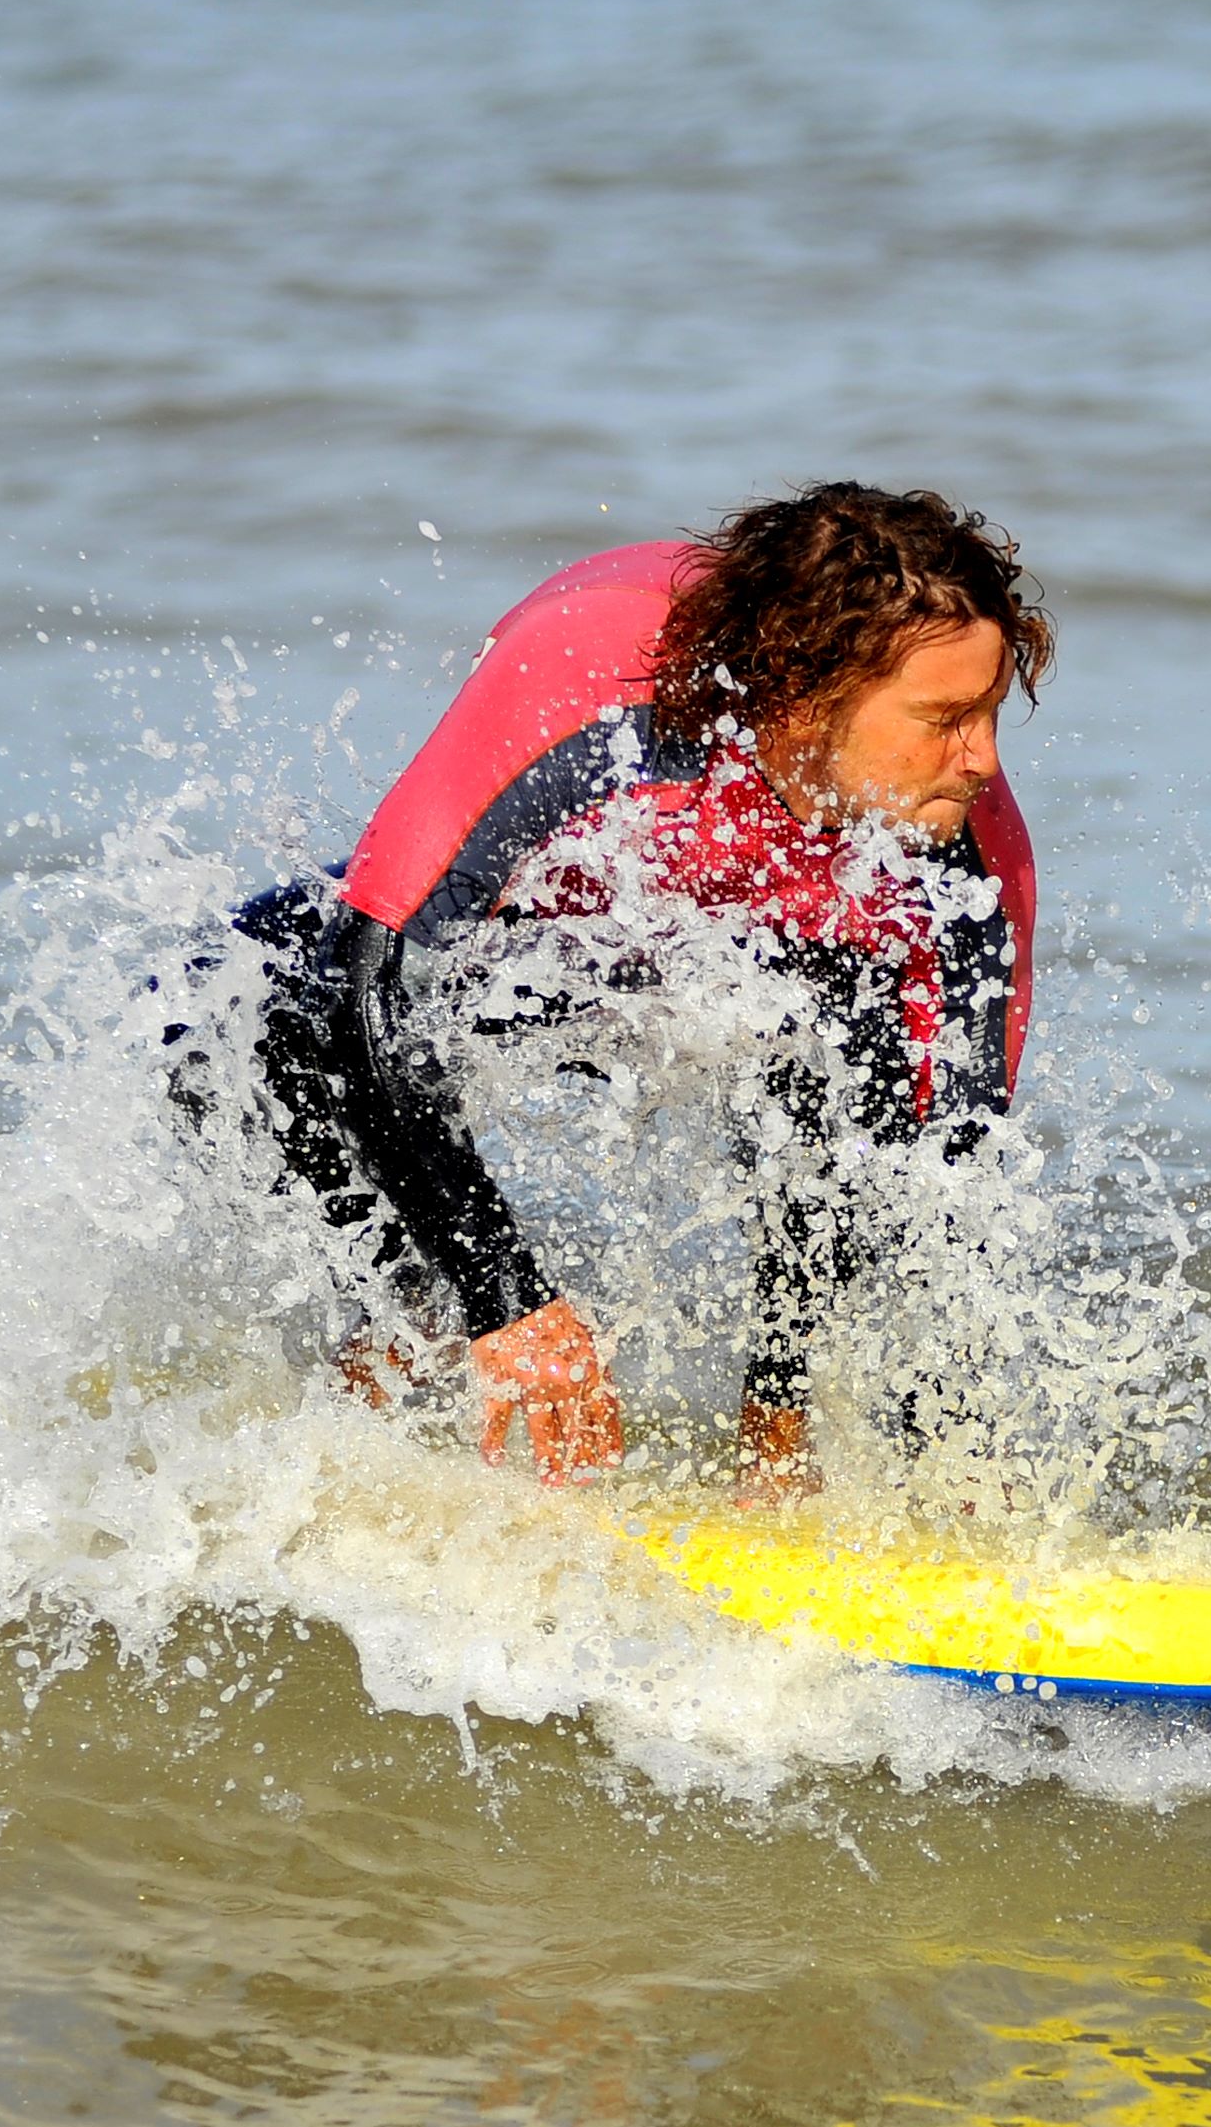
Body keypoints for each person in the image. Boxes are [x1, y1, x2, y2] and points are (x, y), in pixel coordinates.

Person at [165, 484, 1050, 1492]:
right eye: (944, 719)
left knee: (854, 1042)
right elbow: (368, 978)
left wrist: (944, 1441)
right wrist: (506, 1293)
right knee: (230, 1008)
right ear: (803, 697)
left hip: (710, 949)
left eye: (987, 712)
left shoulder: (968, 854)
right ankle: (402, 1330)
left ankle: (774, 1447)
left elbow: (938, 1165)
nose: (982, 761)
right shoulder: (584, 681)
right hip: (534, 933)